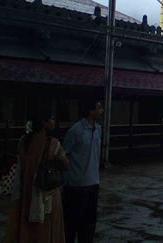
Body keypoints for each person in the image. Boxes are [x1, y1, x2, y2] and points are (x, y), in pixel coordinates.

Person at [4, 113, 68, 243]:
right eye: (51, 119)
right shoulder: (53, 144)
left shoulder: (23, 141)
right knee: (47, 232)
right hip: (47, 194)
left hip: (25, 194)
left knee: (27, 231)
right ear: (44, 123)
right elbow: (66, 164)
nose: (54, 122)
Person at [62, 99, 103, 243]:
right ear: (90, 111)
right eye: (98, 108)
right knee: (71, 224)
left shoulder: (98, 129)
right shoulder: (75, 131)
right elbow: (63, 154)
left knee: (89, 224)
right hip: (75, 185)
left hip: (93, 183)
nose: (101, 111)